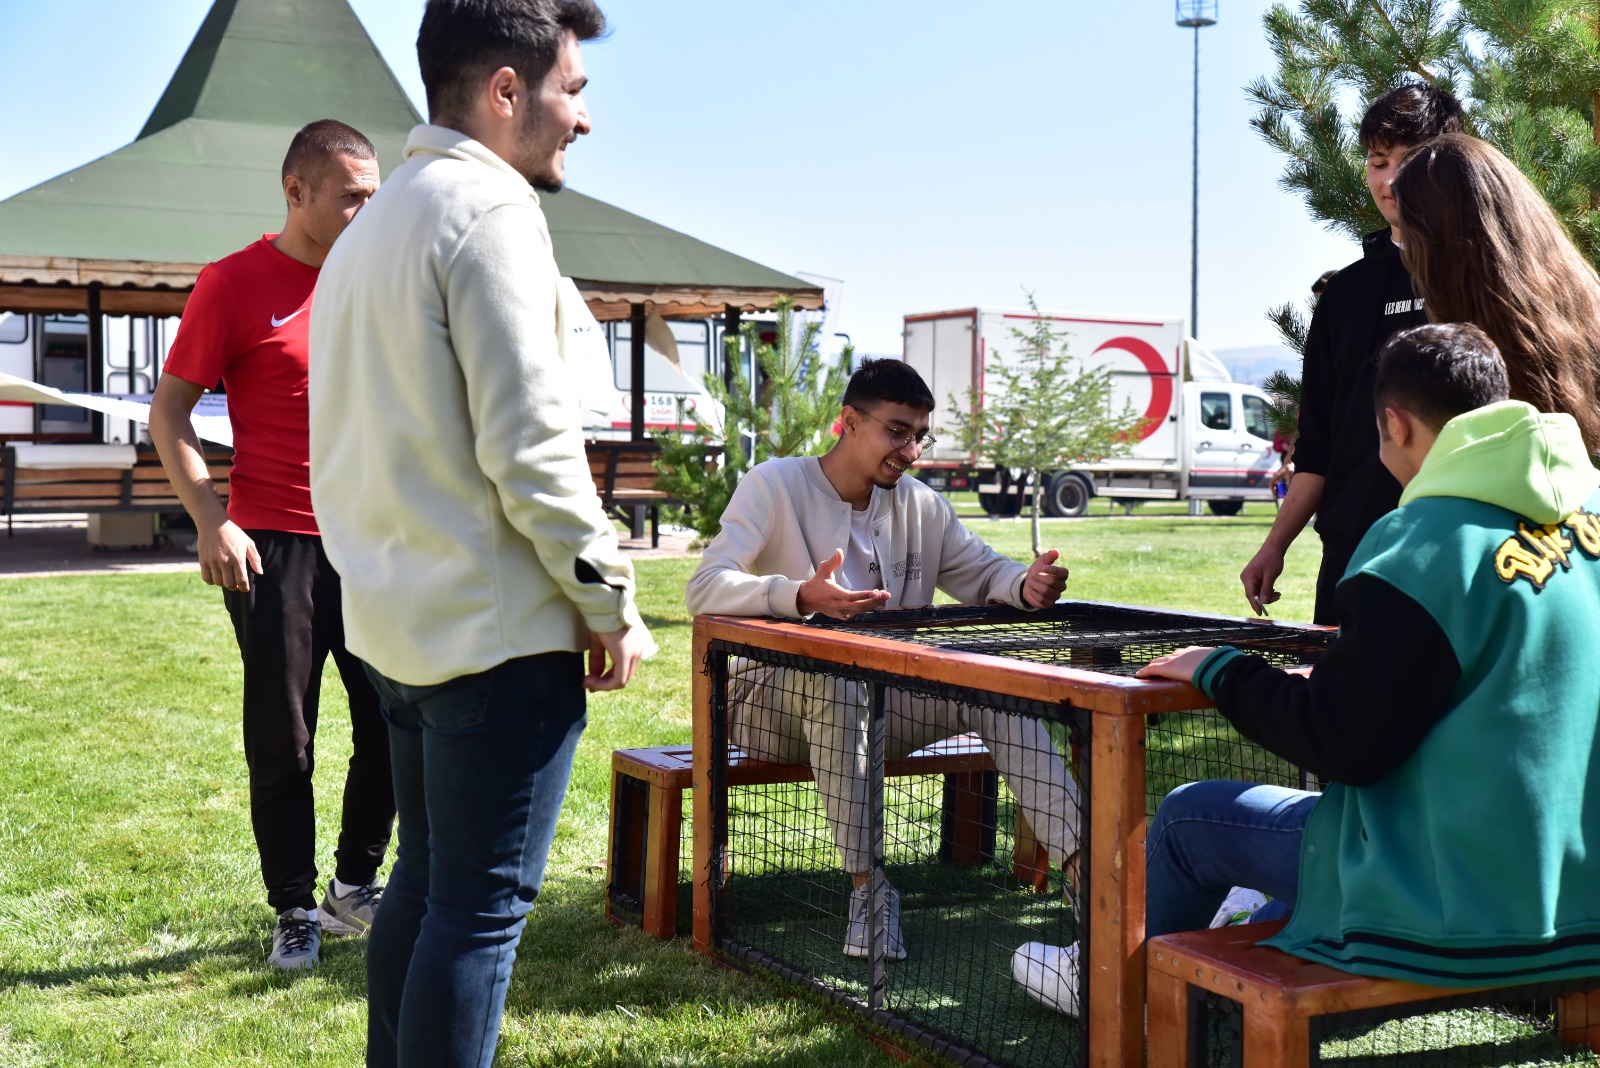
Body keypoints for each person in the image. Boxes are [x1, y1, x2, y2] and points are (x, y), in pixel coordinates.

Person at [1016, 322, 1600, 1014]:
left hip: (1446, 900)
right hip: (1577, 892)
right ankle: (1235, 941)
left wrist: (1221, 669)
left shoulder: (1416, 543)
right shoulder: (1587, 515)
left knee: (1184, 815)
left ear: (1395, 424)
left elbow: (1342, 741)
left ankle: (1106, 990)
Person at [307, 3, 654, 1066]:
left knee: (425, 890)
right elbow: (533, 450)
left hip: (396, 631)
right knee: (476, 914)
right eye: (572, 90)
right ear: (507, 90)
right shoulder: (489, 210)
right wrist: (611, 603)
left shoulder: (370, 227)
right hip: (492, 640)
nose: (583, 118)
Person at [685, 358, 1080, 962]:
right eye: (897, 431)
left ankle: (1091, 885)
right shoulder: (773, 484)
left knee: (1004, 692)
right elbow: (705, 587)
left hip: (886, 701)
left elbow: (983, 572)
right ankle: (870, 892)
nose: (911, 451)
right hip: (764, 704)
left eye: (921, 436)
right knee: (838, 682)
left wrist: (1023, 584)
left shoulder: (922, 504)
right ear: (849, 421)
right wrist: (798, 596)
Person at [149, 119, 391, 971]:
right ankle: (293, 906)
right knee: (284, 738)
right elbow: (170, 413)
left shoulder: (379, 280)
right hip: (273, 547)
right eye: (351, 197)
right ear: (296, 192)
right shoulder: (232, 283)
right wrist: (211, 520)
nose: (367, 212)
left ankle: (354, 887)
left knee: (392, 722)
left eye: (374, 196)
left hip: (371, 544)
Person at [1239, 82, 1465, 624]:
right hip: (1351, 559)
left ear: (1449, 164)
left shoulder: (1484, 273)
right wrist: (1274, 544)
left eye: (1408, 161)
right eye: (1378, 162)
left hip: (1458, 557)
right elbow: (1318, 446)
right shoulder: (1344, 294)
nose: (1390, 180)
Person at [1392, 132, 1600, 459]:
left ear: (1440, 244)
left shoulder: (1466, 358)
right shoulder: (1585, 303)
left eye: (1411, 237)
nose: (1408, 257)